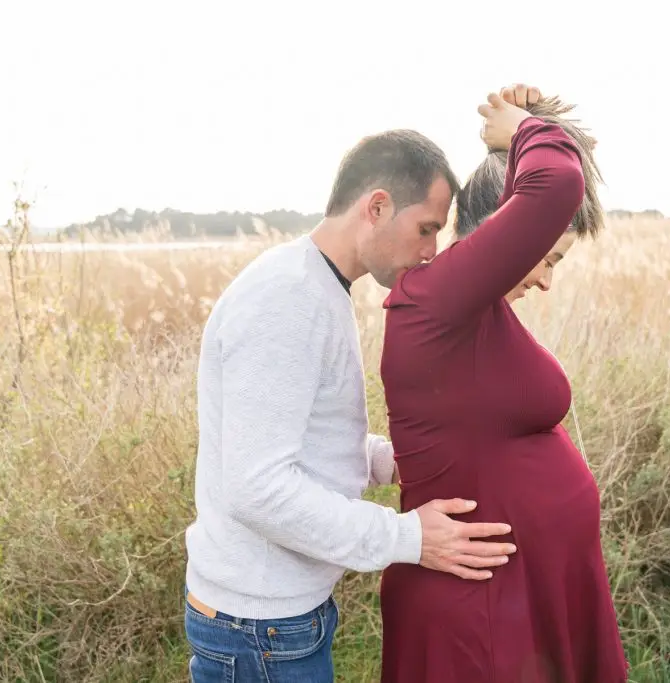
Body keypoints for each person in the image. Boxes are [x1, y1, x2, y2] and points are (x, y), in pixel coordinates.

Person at [182, 127, 517, 681]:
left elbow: (304, 437)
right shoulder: (286, 299)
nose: (433, 250)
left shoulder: (315, 286)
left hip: (273, 619)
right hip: (258, 628)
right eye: (426, 228)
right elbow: (256, 487)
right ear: (377, 207)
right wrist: (408, 537)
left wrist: (394, 459)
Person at [378, 86, 629, 682]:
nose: (544, 280)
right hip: (482, 614)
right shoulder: (435, 302)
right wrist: (520, 130)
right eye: (546, 256)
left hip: (526, 599)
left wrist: (535, 121)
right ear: (500, 229)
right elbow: (555, 185)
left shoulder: (476, 314)